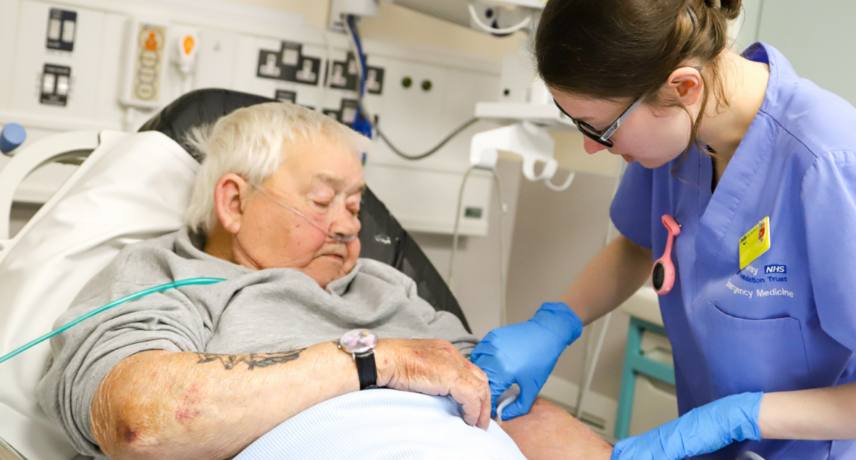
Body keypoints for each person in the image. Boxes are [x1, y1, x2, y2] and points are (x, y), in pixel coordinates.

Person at [471, 0, 856, 459]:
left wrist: (739, 416)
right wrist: (557, 322)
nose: (590, 147)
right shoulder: (680, 131)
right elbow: (639, 243)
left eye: (600, 129)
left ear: (683, 86)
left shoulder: (830, 163)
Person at [37, 102, 606, 460]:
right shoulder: (164, 276)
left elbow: (502, 404)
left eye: (356, 207)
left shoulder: (388, 287)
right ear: (234, 201)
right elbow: (139, 421)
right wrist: (370, 361)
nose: (347, 224)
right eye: (322, 200)